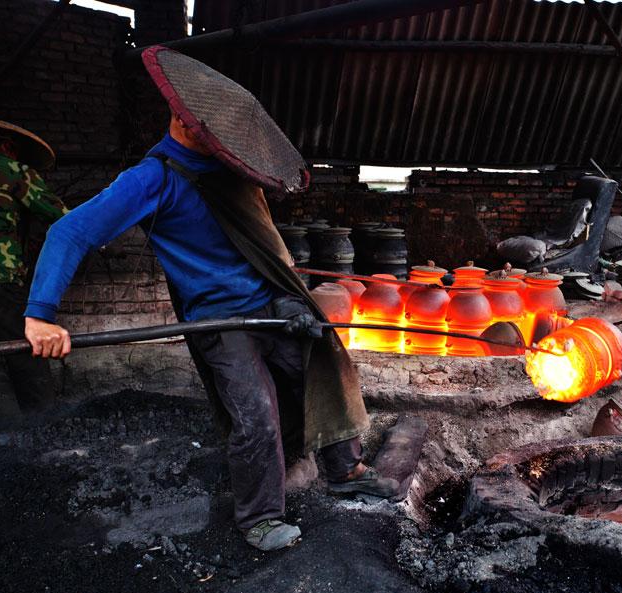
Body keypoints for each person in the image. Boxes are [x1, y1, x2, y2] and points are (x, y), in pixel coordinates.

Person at [23, 47, 398, 551]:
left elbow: (263, 243)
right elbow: (69, 233)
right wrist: (40, 314)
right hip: (219, 318)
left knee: (325, 365)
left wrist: (290, 300)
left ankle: (344, 469)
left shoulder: (234, 168)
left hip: (271, 301)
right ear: (183, 118)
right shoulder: (150, 179)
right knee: (256, 413)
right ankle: (260, 516)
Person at [0, 120, 67, 414]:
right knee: (24, 350)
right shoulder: (10, 169)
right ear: (6, 145)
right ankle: (45, 427)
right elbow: (61, 217)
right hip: (2, 277)